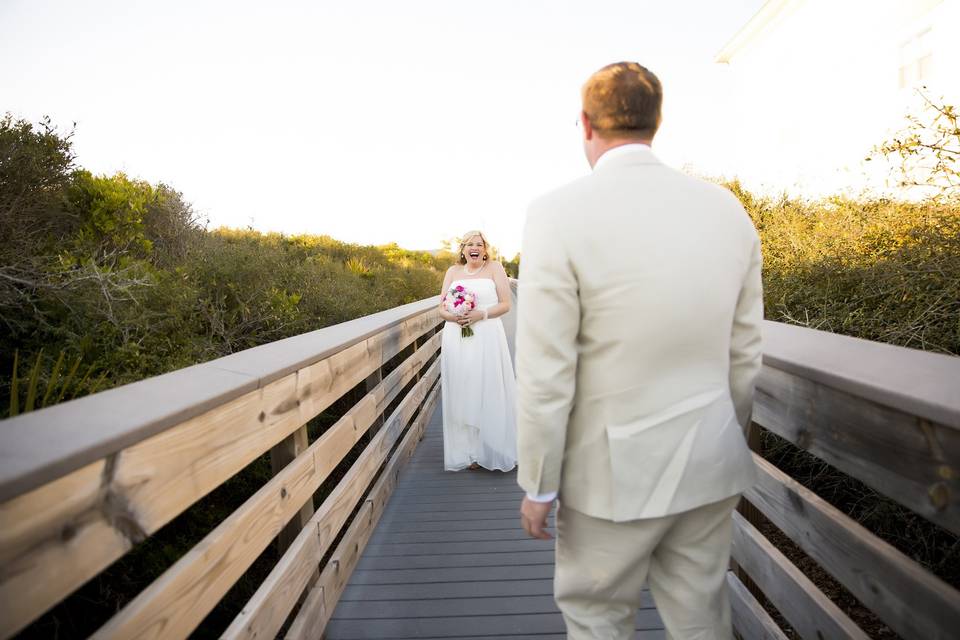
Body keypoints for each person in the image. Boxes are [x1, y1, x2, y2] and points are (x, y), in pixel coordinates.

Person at [515, 62, 763, 639]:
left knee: (598, 619)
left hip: (608, 475)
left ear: (584, 124)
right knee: (702, 619)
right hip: (709, 457)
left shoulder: (556, 213)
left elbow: (547, 370)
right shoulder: (725, 208)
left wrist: (540, 482)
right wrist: (725, 431)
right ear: (658, 121)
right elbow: (745, 352)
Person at [439, 230, 518, 472]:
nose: (475, 248)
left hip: (487, 335)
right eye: (470, 244)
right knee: (463, 389)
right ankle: (468, 451)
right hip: (457, 335)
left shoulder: (495, 268)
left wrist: (480, 314)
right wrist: (455, 317)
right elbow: (440, 308)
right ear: (462, 250)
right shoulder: (452, 272)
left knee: (487, 387)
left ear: (485, 250)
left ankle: (491, 447)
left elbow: (506, 304)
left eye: (480, 244)